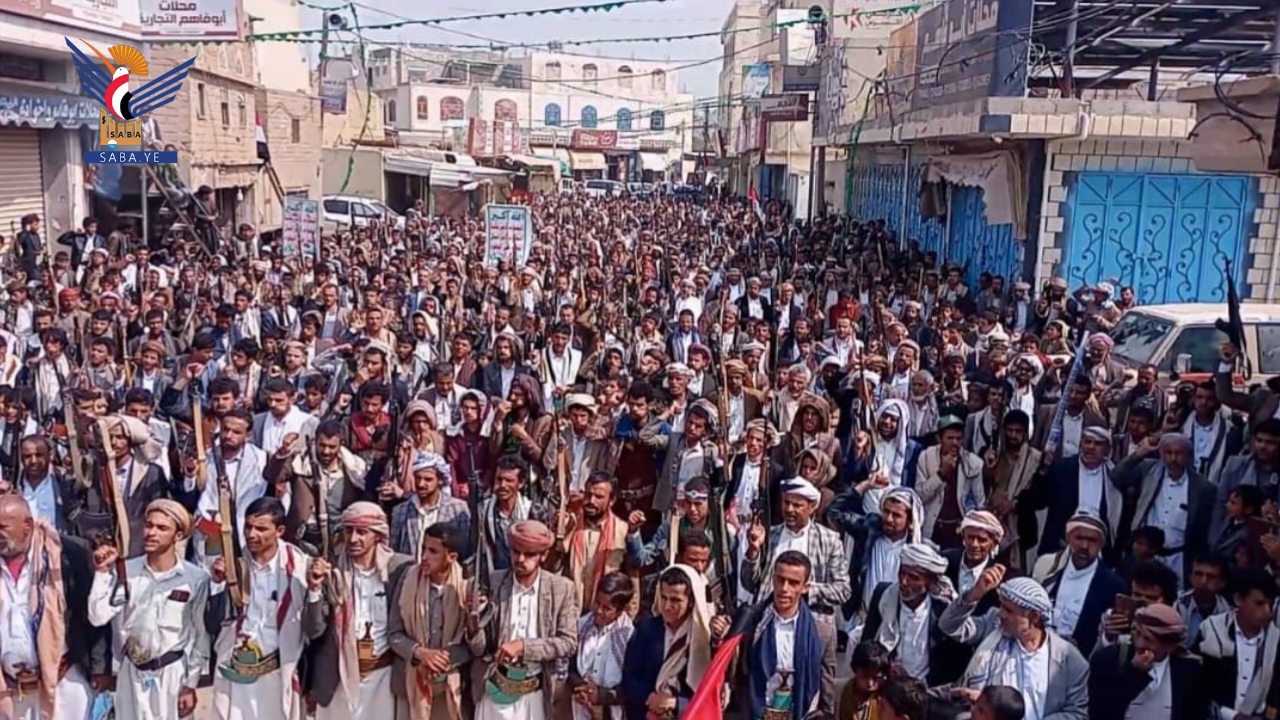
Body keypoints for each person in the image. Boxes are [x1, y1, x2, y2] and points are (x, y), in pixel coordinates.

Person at [87, 499, 210, 720]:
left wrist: (190, 684)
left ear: (178, 535)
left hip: (172, 675)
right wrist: (102, 572)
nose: (152, 533)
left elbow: (201, 635)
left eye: (162, 528)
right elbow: (97, 617)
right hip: (131, 673)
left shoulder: (195, 579)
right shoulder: (126, 571)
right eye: (149, 525)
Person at [303, 502, 413, 719]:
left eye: (362, 532)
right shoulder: (331, 570)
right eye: (349, 531)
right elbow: (313, 630)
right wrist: (314, 589)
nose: (353, 539)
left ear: (377, 535)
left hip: (383, 676)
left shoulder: (400, 569)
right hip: (338, 677)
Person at [208, 496, 311, 720]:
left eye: (261, 529)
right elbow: (213, 622)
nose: (251, 534)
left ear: (279, 531)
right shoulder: (233, 565)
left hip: (278, 671)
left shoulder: (299, 567)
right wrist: (218, 583)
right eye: (248, 527)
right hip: (237, 671)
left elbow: (314, 625)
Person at [468, 519, 579, 720]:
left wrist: (523, 647)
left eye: (529, 554)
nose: (520, 559)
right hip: (494, 690)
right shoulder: (494, 582)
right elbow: (480, 649)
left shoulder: (561, 588)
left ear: (543, 555)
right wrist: (473, 622)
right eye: (516, 552)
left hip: (534, 694)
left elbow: (568, 642)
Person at [939, 573, 1089, 720]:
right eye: (1001, 606)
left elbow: (1077, 714)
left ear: (1034, 617)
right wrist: (974, 594)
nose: (1001, 614)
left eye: (1009, 610)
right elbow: (948, 626)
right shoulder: (993, 626)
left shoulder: (1070, 661)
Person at [389, 520, 471, 720]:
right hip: (410, 685)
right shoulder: (408, 579)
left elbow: (474, 644)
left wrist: (442, 660)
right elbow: (394, 634)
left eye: (433, 551)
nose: (424, 557)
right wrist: (421, 653)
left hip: (451, 689)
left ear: (451, 557)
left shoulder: (466, 585)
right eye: (423, 549)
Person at [621, 564, 714, 719]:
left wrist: (676, 704)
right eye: (664, 597)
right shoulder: (646, 629)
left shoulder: (702, 639)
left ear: (691, 601)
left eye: (675, 600)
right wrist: (651, 699)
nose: (667, 606)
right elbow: (630, 677)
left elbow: (707, 692)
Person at [1087, 603, 1210, 720]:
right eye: (1137, 634)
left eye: (1148, 639)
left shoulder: (1190, 672)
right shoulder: (1108, 659)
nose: (1140, 644)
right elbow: (1100, 711)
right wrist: (1134, 672)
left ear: (1170, 645)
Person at [568, 571, 635, 720]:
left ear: (620, 611)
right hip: (580, 707)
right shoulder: (582, 625)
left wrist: (601, 696)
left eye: (607, 608)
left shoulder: (629, 637)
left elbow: (631, 685)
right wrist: (580, 688)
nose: (598, 611)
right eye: (597, 603)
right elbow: (570, 666)